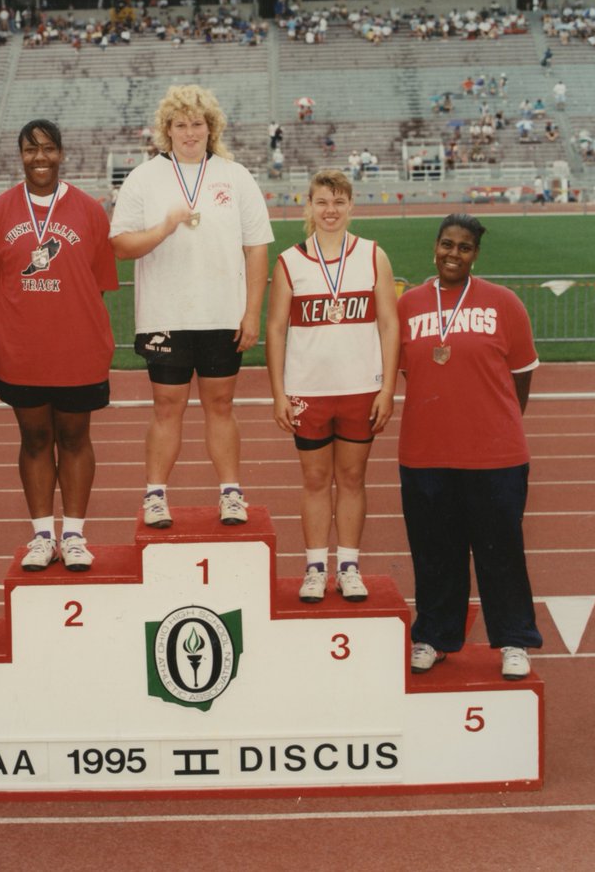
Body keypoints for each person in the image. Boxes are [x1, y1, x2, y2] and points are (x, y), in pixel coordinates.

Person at [110, 84, 272, 527]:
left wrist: (251, 312)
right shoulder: (144, 177)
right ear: (167, 129)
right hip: (165, 315)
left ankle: (231, 492)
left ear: (210, 127)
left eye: (197, 123)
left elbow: (257, 247)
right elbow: (120, 245)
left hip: (222, 313)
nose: (189, 132)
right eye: (180, 124)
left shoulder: (235, 176)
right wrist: (164, 228)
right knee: (167, 407)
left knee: (221, 405)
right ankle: (155, 494)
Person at [397, 214, 543, 680]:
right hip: (425, 452)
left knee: (501, 552)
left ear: (475, 254)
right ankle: (434, 636)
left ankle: (514, 639)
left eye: (463, 247)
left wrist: (494, 424)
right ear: (435, 246)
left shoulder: (504, 303)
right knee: (434, 551)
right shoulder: (408, 305)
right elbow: (410, 371)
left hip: (495, 456)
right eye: (447, 244)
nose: (453, 254)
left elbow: (521, 375)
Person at [0, 120, 117, 572]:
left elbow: (97, 284)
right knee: (34, 439)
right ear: (20, 155)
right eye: (31, 149)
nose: (40, 157)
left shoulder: (90, 211)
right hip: (21, 354)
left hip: (78, 352)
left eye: (48, 148)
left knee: (74, 437)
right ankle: (41, 535)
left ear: (61, 154)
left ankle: (73, 535)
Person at [266, 170, 398, 604]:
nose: (330, 210)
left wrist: (387, 389)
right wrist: (279, 393)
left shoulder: (373, 256)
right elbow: (276, 330)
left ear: (351, 206)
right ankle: (314, 568)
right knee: (315, 479)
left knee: (353, 477)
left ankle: (349, 567)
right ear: (309, 205)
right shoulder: (289, 262)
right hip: (308, 390)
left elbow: (389, 324)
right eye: (322, 201)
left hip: (361, 387)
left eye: (339, 202)